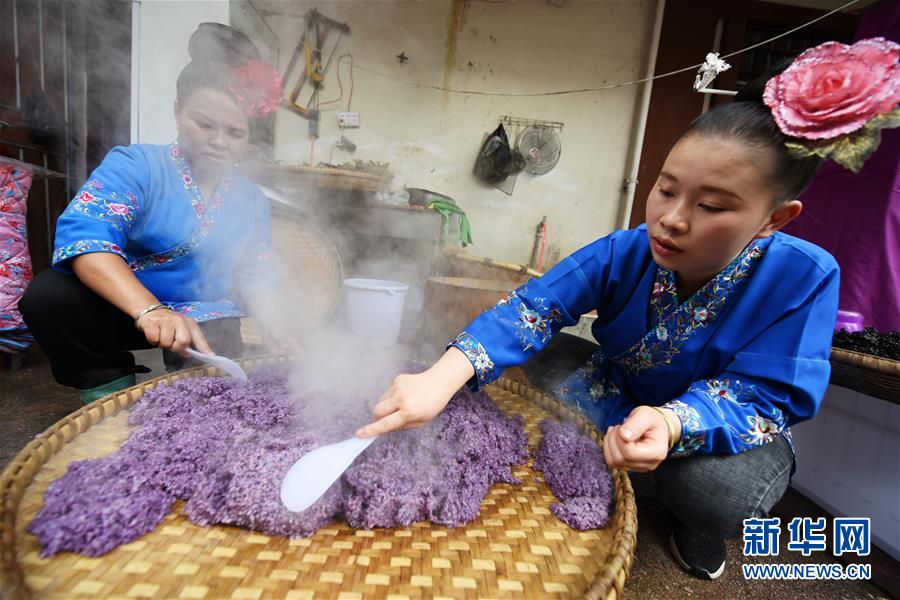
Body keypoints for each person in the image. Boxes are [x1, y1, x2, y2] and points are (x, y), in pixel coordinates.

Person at [358, 38, 899, 580]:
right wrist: (440, 377)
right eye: (665, 190)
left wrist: (670, 422)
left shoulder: (805, 274)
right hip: (623, 390)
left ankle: (689, 513)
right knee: (515, 358)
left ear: (774, 219)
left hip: (723, 426)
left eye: (710, 206)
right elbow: (533, 310)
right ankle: (625, 455)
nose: (672, 219)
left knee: (714, 491)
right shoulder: (628, 249)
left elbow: (770, 392)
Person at [19, 23, 285, 404]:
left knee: (210, 397)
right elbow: (85, 237)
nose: (218, 142)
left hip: (204, 315)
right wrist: (151, 310)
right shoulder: (136, 165)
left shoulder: (250, 198)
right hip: (123, 308)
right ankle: (108, 390)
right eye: (205, 124)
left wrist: (275, 327)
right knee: (49, 297)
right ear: (178, 112)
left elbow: (257, 271)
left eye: (235, 132)